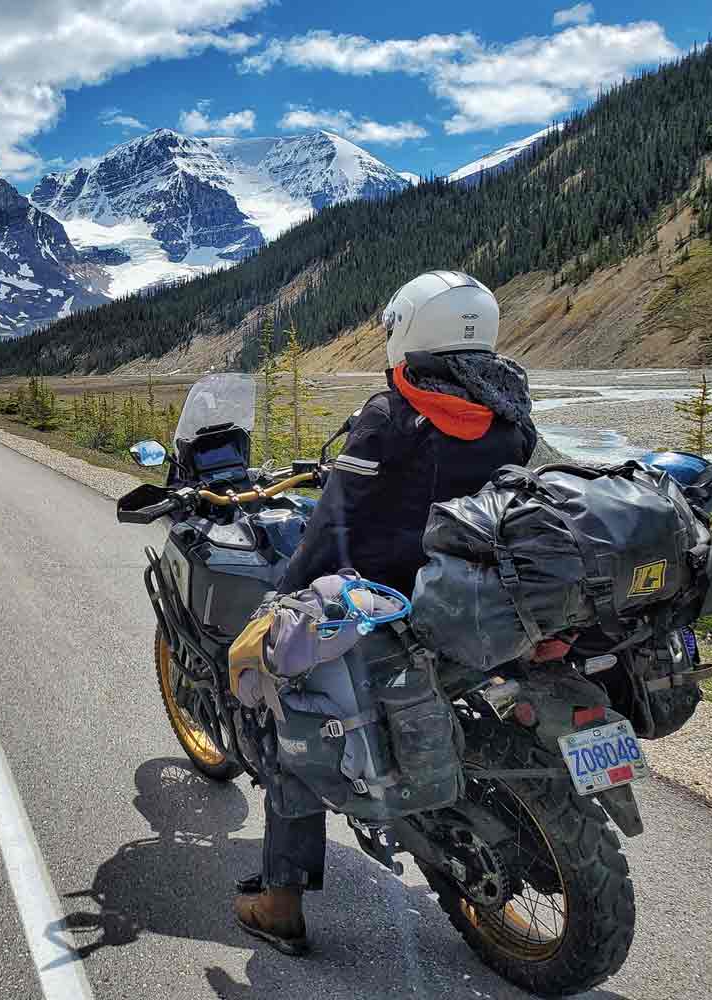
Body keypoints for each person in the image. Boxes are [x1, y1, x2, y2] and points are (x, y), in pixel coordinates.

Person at [232, 269, 538, 955]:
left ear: (410, 329)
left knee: (290, 721)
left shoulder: (395, 414)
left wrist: (281, 596)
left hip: (386, 602)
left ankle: (280, 902)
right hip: (479, 594)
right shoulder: (511, 406)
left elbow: (333, 520)